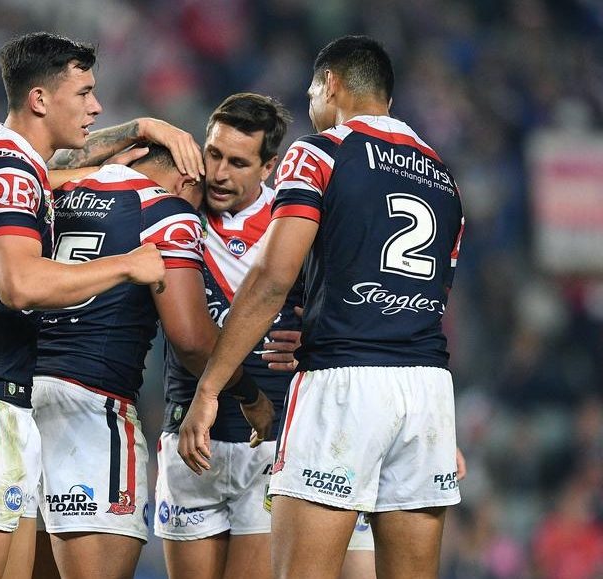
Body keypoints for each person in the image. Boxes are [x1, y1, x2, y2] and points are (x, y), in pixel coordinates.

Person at [179, 35, 466, 579]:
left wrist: (210, 388)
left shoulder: (320, 151)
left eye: (313, 93)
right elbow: (429, 298)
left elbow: (271, 278)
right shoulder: (444, 177)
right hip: (428, 390)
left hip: (345, 385)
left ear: (329, 84)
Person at [0, 32, 169, 579]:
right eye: (84, 93)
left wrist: (133, 138)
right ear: (40, 99)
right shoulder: (8, 172)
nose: (96, 106)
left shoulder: (4, 160)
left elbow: (59, 170)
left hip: (0, 402)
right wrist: (126, 265)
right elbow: (19, 284)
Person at [156, 92, 380, 579]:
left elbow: (358, 308)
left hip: (269, 442)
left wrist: (313, 337)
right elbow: (66, 169)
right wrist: (147, 127)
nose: (219, 174)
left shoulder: (298, 220)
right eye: (214, 154)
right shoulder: (175, 208)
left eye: (238, 163)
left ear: (269, 166)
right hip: (188, 436)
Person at [30, 144, 273, 579]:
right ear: (186, 179)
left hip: (20, 402)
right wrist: (249, 394)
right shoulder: (167, 211)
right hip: (91, 409)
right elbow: (191, 340)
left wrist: (134, 132)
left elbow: (34, 163)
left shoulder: (56, 193)